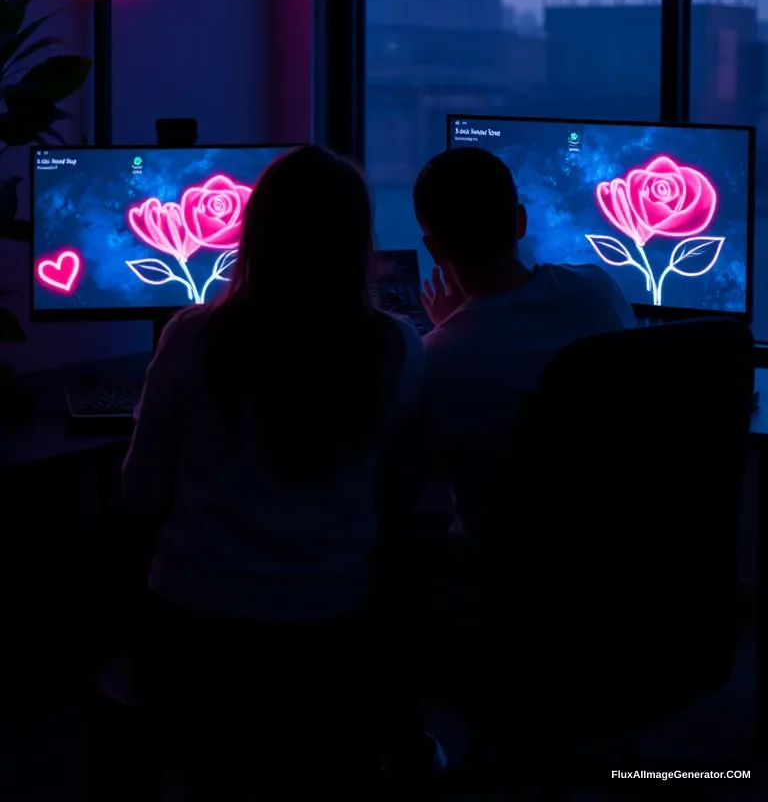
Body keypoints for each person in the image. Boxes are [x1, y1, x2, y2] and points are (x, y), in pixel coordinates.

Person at [117, 146, 425, 800]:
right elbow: (400, 498)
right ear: (357, 240)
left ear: (254, 233)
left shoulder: (191, 336)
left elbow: (138, 493)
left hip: (196, 632)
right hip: (331, 634)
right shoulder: (396, 346)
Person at [414, 147, 636, 540]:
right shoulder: (599, 290)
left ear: (435, 250)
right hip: (612, 555)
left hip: (494, 580)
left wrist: (449, 325)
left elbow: (411, 474)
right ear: (520, 222)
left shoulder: (438, 357)